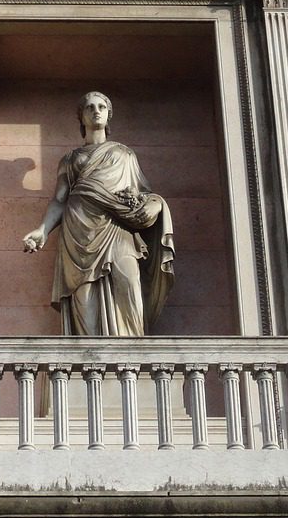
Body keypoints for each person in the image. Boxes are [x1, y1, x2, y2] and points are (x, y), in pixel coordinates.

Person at [22, 91, 175, 336]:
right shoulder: (70, 159)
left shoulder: (124, 154)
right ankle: (89, 355)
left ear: (108, 115)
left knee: (129, 283)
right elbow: (59, 200)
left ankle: (133, 351)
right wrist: (42, 230)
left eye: (102, 107)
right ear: (81, 117)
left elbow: (142, 194)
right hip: (78, 231)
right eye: (90, 107)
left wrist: (156, 204)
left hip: (117, 227)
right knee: (84, 296)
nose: (96, 111)